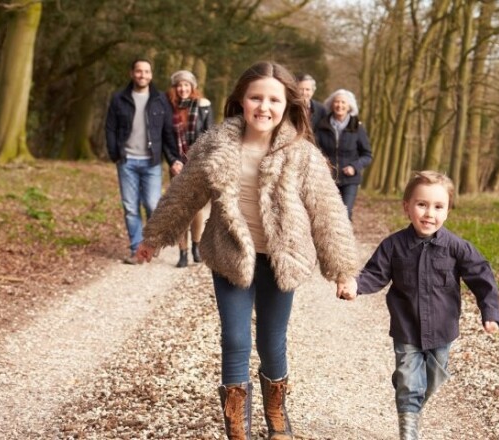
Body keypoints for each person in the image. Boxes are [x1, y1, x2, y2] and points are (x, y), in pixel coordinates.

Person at [135, 61, 359, 440]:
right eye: (256, 97)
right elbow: (185, 193)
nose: (264, 107)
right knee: (235, 339)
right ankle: (236, 427)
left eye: (274, 99)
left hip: (280, 259)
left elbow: (328, 212)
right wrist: (154, 237)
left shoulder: (301, 154)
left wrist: (343, 271)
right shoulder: (216, 145)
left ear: (287, 105)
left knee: (272, 341)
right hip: (230, 254)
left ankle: (276, 412)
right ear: (241, 100)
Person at [339, 170, 499, 440]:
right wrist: (355, 286)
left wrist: (491, 312)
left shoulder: (457, 248)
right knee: (410, 381)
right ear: (407, 207)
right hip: (407, 328)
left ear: (448, 211)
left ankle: (409, 391)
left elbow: (481, 275)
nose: (429, 214)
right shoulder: (394, 246)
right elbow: (375, 274)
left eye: (438, 207)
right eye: (422, 204)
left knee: (432, 378)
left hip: (442, 329)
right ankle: (408, 428)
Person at [105, 58, 182, 264]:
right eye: (139, 71)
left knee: (152, 204)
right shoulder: (119, 98)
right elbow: (110, 128)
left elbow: (167, 133)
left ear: (151, 75)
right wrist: (115, 154)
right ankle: (136, 250)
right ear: (132, 73)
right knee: (131, 207)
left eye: (146, 72)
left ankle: (151, 243)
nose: (143, 75)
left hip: (152, 162)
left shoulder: (160, 100)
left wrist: (173, 158)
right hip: (127, 161)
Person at [167, 69, 214, 268]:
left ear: (192, 87)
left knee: (195, 210)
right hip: (177, 165)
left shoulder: (203, 107)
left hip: (196, 163)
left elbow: (208, 136)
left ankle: (196, 245)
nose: (183, 88)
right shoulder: (169, 108)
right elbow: (165, 139)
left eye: (186, 85)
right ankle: (182, 252)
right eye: (179, 85)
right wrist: (172, 161)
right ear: (175, 88)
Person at [314, 88, 372, 221]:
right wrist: (322, 162)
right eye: (336, 102)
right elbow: (315, 150)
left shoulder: (357, 127)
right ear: (331, 104)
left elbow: (367, 155)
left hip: (349, 180)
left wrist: (354, 166)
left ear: (349, 106)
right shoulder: (322, 125)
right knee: (328, 215)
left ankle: (345, 241)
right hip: (327, 178)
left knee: (345, 213)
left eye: (343, 103)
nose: (339, 105)